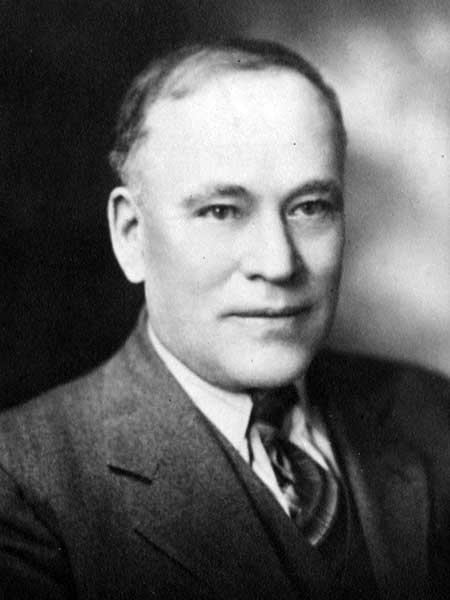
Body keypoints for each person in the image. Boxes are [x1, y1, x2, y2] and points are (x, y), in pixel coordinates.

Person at [1, 38, 449, 600]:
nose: (278, 263)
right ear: (131, 236)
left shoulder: (432, 413)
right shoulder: (23, 483)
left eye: (310, 207)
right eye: (221, 211)